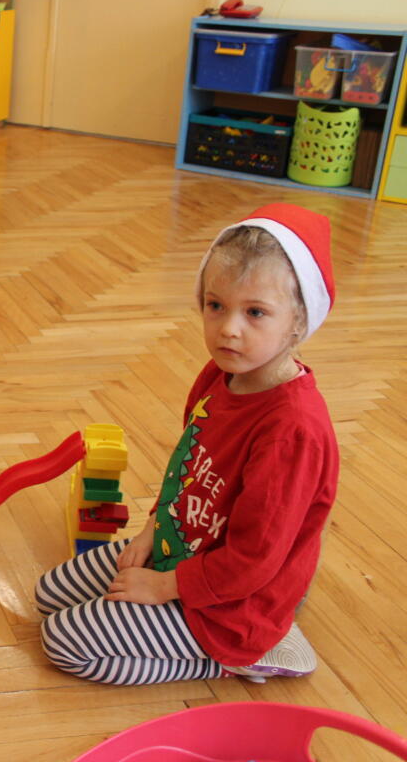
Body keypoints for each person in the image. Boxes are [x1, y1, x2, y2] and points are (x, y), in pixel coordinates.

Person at [35, 203, 340, 685]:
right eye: (216, 305)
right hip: (181, 550)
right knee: (48, 594)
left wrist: (163, 587)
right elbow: (187, 469)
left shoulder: (293, 431)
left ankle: (240, 657)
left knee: (62, 641)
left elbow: (254, 560)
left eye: (255, 312)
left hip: (232, 608)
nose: (228, 328)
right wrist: (150, 530)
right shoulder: (220, 374)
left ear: (299, 322)